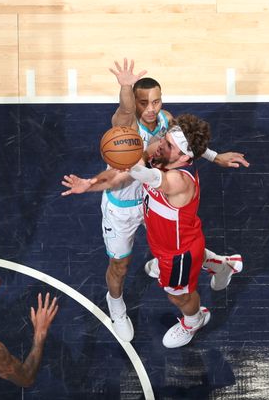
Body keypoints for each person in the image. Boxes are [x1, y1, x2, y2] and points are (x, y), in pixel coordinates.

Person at [86, 59, 247, 343]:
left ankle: (217, 269)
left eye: (156, 102)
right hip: (123, 207)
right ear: (135, 103)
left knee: (172, 245)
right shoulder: (126, 127)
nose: (151, 109)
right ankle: (116, 305)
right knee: (119, 266)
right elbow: (124, 112)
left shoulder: (165, 120)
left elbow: (187, 142)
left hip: (153, 202)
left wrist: (214, 156)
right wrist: (125, 86)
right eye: (144, 103)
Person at [64, 113, 216, 348]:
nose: (159, 145)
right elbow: (120, 176)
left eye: (168, 145)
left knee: (177, 295)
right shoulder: (163, 152)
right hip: (162, 239)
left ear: (185, 156)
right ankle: (222, 264)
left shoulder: (179, 181)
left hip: (178, 253)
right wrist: (90, 184)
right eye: (164, 140)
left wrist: (130, 162)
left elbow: (148, 176)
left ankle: (194, 320)